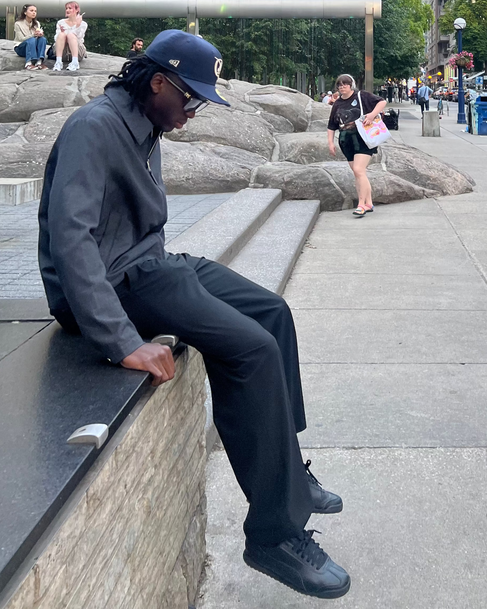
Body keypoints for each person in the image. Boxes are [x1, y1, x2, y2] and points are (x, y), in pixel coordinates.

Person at [38, 30, 350, 599]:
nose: (193, 112)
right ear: (157, 82)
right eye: (190, 98)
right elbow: (71, 240)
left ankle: (291, 478)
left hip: (150, 263)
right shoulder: (95, 129)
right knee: (251, 349)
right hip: (117, 284)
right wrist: (121, 339)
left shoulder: (147, 124)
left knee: (273, 313)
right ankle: (274, 535)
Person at [327, 74, 387, 218]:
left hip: (363, 139)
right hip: (346, 141)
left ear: (351, 85)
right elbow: (331, 125)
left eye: (345, 84)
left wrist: (372, 115)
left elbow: (382, 102)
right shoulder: (337, 103)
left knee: (359, 170)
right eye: (339, 85)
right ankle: (369, 202)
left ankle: (361, 204)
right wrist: (330, 143)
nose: (342, 87)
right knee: (358, 173)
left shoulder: (361, 96)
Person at [53, 1, 88, 72]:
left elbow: (79, 37)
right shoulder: (60, 22)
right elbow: (56, 38)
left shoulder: (83, 24)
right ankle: (58, 62)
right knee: (62, 34)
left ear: (77, 10)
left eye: (70, 8)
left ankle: (75, 62)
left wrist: (77, 26)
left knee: (71, 35)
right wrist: (63, 34)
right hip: (63, 51)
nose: (67, 10)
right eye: (66, 8)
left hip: (78, 51)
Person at [13, 4, 47, 70]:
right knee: (31, 40)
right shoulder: (18, 24)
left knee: (43, 39)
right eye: (31, 11)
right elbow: (21, 39)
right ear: (25, 12)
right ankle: (28, 63)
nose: (34, 13)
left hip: (34, 46)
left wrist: (39, 34)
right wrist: (33, 35)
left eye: (35, 11)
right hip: (21, 48)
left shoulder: (37, 23)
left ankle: (39, 62)